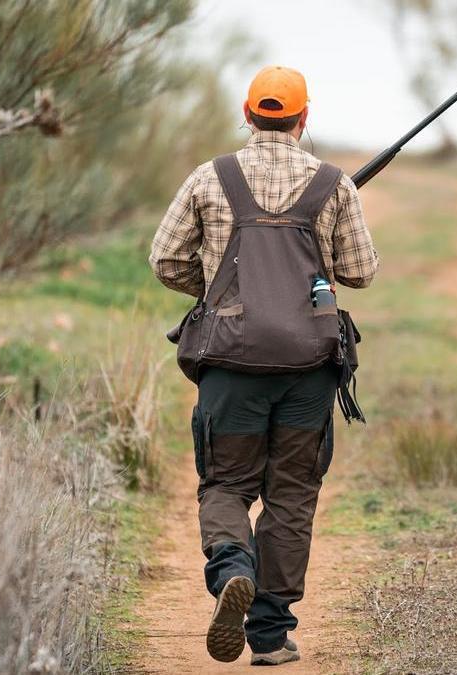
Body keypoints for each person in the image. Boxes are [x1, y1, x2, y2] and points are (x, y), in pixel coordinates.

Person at [149, 65, 378, 666]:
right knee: (292, 494)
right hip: (309, 369)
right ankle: (271, 636)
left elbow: (166, 259)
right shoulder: (332, 183)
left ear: (248, 115)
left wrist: (225, 294)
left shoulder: (210, 176)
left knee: (227, 483)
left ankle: (231, 570)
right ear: (305, 119)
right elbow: (361, 271)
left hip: (230, 364)